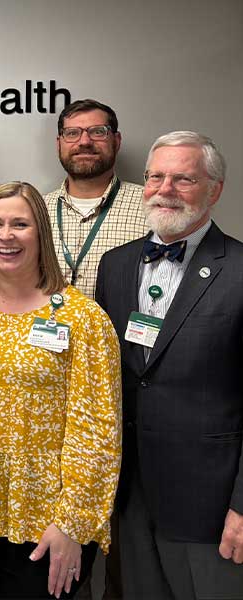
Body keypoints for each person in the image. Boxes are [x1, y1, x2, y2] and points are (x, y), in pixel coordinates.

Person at [0, 182, 122, 599]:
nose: (6, 236)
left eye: (20, 224)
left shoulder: (83, 318)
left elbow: (99, 431)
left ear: (41, 232)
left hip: (47, 519)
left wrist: (73, 524)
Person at [96, 131, 243, 599]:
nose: (165, 189)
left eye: (183, 179)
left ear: (214, 189)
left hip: (211, 504)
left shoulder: (240, 269)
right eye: (155, 177)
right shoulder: (115, 265)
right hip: (131, 495)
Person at [44, 99, 148, 299]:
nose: (84, 142)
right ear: (59, 143)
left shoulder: (151, 208)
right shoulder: (35, 210)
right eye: (72, 133)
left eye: (97, 132)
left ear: (116, 141)